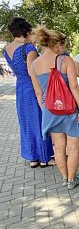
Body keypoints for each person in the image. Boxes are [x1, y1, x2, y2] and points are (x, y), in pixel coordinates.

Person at [30, 26, 79, 190]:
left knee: (59, 147)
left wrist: (46, 110)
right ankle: (72, 180)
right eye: (63, 45)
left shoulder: (34, 64)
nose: (65, 48)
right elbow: (74, 87)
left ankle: (64, 177)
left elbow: (38, 92)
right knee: (73, 147)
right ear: (56, 44)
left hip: (50, 111)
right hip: (70, 110)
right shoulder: (65, 60)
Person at [4, 17, 55, 168]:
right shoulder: (28, 48)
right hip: (32, 87)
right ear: (26, 30)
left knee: (26, 122)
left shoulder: (6, 49)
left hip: (20, 87)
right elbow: (32, 72)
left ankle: (33, 158)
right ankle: (45, 157)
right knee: (39, 121)